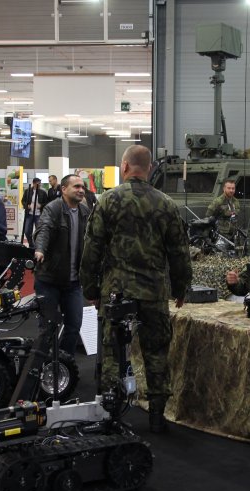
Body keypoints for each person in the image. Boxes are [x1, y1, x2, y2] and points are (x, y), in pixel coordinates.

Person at [80, 145, 192, 434]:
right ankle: (157, 416)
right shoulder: (166, 204)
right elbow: (179, 252)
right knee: (157, 351)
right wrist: (181, 288)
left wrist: (90, 288)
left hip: (116, 291)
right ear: (150, 168)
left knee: (112, 351)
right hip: (153, 291)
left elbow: (92, 248)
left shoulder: (108, 200)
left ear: (125, 166)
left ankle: (110, 412)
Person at [33, 174, 91, 356]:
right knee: (47, 328)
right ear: (64, 189)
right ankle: (42, 365)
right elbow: (44, 229)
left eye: (82, 187)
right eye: (76, 187)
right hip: (49, 280)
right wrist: (40, 249)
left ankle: (65, 364)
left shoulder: (84, 211)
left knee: (74, 327)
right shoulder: (53, 208)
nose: (81, 190)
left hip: (73, 283)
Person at [22, 177, 48, 247]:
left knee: (39, 231)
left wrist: (41, 205)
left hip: (38, 214)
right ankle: (31, 244)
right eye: (38, 184)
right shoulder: (27, 191)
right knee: (27, 231)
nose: (39, 185)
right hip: (29, 214)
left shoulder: (43, 192)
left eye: (40, 184)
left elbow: (46, 203)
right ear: (33, 184)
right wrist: (27, 205)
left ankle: (38, 245)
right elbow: (23, 201)